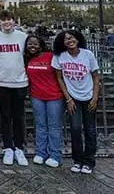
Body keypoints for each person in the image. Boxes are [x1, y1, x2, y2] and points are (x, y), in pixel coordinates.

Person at [0, 9, 29, 166]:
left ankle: (19, 148)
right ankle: (8, 147)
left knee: (19, 117)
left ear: (14, 21)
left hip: (20, 82)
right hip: (1, 82)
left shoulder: (23, 37)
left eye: (9, 19)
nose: (6, 22)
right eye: (3, 20)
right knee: (5, 117)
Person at [52, 30, 100, 174]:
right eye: (66, 39)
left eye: (71, 38)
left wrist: (95, 97)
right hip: (73, 98)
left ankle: (89, 161)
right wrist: (68, 98)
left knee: (90, 130)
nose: (69, 41)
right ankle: (78, 160)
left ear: (78, 39)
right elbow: (59, 78)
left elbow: (96, 77)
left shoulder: (88, 55)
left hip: (89, 96)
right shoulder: (60, 56)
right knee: (75, 128)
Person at [24, 34, 64, 168]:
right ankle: (41, 153)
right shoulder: (27, 59)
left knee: (54, 127)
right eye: (30, 44)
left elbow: (60, 75)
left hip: (54, 96)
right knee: (40, 126)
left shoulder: (51, 56)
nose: (32, 46)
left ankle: (55, 155)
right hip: (37, 96)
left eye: (35, 44)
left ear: (41, 45)